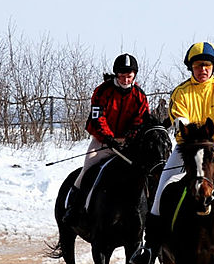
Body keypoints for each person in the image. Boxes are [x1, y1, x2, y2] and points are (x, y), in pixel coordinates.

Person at [130, 41, 214, 264]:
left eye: (207, 65)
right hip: (185, 151)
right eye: (199, 65)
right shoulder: (181, 92)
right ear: (191, 68)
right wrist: (193, 141)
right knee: (162, 190)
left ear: (213, 67)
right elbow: (180, 119)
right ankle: (149, 248)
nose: (203, 70)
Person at [63, 53, 150, 224]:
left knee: (144, 173)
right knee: (88, 168)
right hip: (102, 140)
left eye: (129, 76)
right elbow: (98, 117)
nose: (126, 79)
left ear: (134, 75)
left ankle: (149, 213)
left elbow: (140, 120)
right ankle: (74, 207)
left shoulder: (140, 95)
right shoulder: (103, 91)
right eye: (123, 76)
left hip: (127, 143)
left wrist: (129, 138)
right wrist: (109, 138)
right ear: (117, 74)